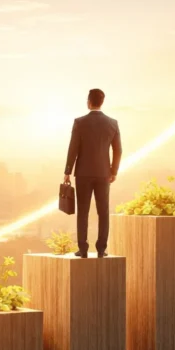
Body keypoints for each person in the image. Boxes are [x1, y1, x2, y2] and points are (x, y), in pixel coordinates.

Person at [63, 88, 122, 258]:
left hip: (82, 173)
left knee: (83, 211)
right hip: (104, 173)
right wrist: (113, 171)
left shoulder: (79, 122)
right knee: (103, 211)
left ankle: (83, 250)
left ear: (88, 101)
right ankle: (101, 250)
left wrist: (68, 171)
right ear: (102, 102)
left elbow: (73, 148)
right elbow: (118, 150)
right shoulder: (112, 123)